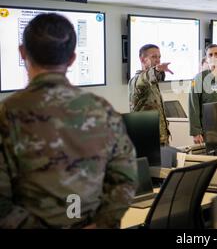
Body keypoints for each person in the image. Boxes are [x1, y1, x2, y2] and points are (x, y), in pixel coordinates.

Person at [0, 13, 137, 229]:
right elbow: (125, 179)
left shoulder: (7, 113)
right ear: (72, 58)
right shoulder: (102, 110)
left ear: (22, 52)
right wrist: (101, 224)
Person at [128, 44, 172, 145]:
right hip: (147, 141)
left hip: (161, 140)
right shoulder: (136, 81)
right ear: (142, 59)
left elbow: (154, 77)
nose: (158, 60)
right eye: (154, 57)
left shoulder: (153, 84)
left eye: (159, 57)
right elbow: (146, 77)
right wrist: (156, 70)